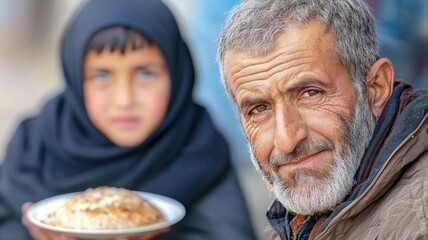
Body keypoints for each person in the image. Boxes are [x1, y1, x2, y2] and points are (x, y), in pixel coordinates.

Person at [0, 0, 256, 239]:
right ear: (76, 78)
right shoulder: (35, 143)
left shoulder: (197, 145)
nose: (124, 100)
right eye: (101, 76)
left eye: (145, 73)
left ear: (177, 73)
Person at [217, 0, 428, 239]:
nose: (286, 140)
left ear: (376, 87)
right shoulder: (295, 218)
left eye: (311, 93)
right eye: (259, 109)